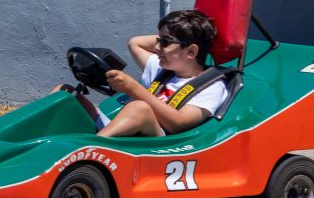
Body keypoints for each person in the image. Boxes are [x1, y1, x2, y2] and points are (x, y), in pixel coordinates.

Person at [59, 9, 229, 138]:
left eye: (164, 42)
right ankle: (38, 142)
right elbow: (135, 43)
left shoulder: (212, 87)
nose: (156, 47)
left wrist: (134, 89)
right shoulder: (163, 69)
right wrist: (170, 35)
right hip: (122, 135)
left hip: (156, 147)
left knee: (139, 108)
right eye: (158, 40)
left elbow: (179, 124)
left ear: (191, 52)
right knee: (65, 93)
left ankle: (86, 149)